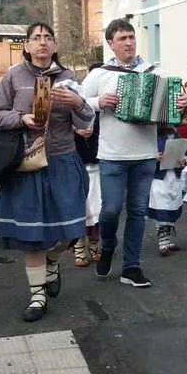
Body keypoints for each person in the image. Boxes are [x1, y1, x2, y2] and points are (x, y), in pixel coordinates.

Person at [0, 22, 95, 321]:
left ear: (54, 45)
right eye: (36, 38)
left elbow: (86, 121)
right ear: (26, 45)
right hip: (27, 162)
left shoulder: (69, 78)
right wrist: (21, 119)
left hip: (62, 160)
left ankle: (52, 260)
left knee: (70, 230)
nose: (42, 42)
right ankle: (37, 295)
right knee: (32, 234)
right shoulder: (14, 76)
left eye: (48, 37)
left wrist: (78, 103)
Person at [80, 18, 187, 288]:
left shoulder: (154, 72)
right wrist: (97, 101)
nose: (128, 43)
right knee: (110, 211)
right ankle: (107, 247)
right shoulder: (100, 74)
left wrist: (184, 103)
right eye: (122, 38)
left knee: (138, 212)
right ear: (110, 43)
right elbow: (78, 104)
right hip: (112, 155)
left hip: (145, 155)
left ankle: (131, 267)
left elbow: (176, 105)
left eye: (131, 37)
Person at [73, 81, 102, 269]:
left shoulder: (98, 111)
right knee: (79, 208)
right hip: (75, 165)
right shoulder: (68, 111)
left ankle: (94, 245)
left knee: (96, 208)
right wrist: (75, 130)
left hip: (96, 164)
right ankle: (78, 248)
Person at [148, 125, 187, 256]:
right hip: (159, 178)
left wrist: (183, 160)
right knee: (162, 208)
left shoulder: (176, 135)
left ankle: (168, 239)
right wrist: (153, 157)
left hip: (174, 176)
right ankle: (163, 241)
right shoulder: (151, 135)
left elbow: (185, 152)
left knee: (172, 206)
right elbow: (142, 154)